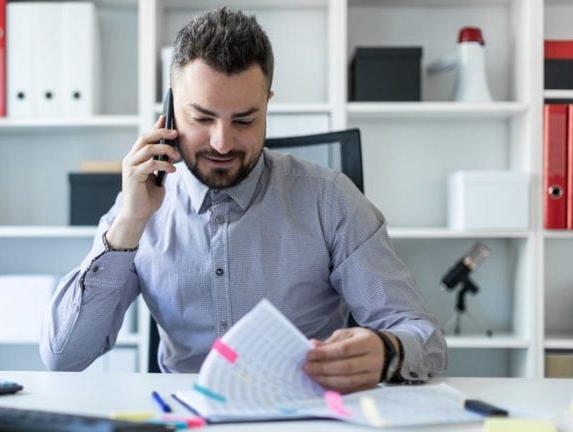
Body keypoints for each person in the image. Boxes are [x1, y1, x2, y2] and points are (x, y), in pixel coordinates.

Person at [41, 7, 446, 393]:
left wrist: (386, 351)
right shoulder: (138, 206)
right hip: (187, 416)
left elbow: (423, 337)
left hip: (304, 414)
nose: (222, 142)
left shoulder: (330, 200)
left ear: (268, 103)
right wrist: (129, 223)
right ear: (168, 110)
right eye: (201, 118)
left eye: (244, 120)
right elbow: (63, 356)